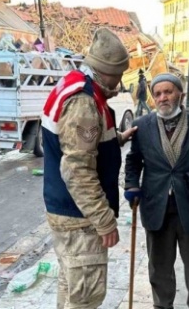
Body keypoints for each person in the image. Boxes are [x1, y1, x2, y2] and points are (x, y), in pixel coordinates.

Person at [42, 28, 137, 309]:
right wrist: (104, 220)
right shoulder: (84, 101)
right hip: (80, 218)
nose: (119, 83)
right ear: (105, 72)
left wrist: (117, 139)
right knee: (86, 296)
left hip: (66, 211)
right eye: (118, 76)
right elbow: (77, 169)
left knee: (71, 285)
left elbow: (74, 144)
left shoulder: (74, 84)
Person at [124, 73, 189, 309]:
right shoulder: (142, 125)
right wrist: (132, 185)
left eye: (168, 92)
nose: (163, 97)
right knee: (159, 268)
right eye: (157, 93)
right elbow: (134, 161)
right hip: (156, 207)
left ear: (180, 93)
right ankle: (162, 306)